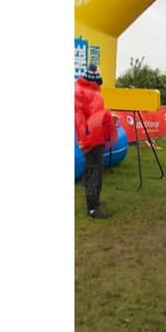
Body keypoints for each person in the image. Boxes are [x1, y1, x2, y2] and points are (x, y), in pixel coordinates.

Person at [75, 63, 116, 219]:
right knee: (95, 172)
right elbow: (81, 119)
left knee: (94, 170)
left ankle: (94, 202)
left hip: (93, 136)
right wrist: (86, 138)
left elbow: (94, 115)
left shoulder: (87, 91)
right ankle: (92, 208)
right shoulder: (84, 92)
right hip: (91, 138)